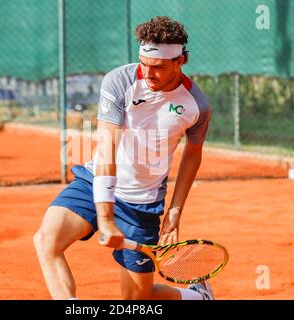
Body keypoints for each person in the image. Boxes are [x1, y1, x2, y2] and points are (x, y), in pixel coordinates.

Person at [33, 16, 213, 300]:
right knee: (46, 241)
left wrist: (175, 211)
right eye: (143, 63)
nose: (147, 73)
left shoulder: (196, 106)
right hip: (96, 181)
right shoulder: (120, 81)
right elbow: (107, 149)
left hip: (142, 203)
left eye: (158, 67)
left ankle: (197, 297)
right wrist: (104, 218)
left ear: (181, 61)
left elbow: (193, 155)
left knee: (136, 300)